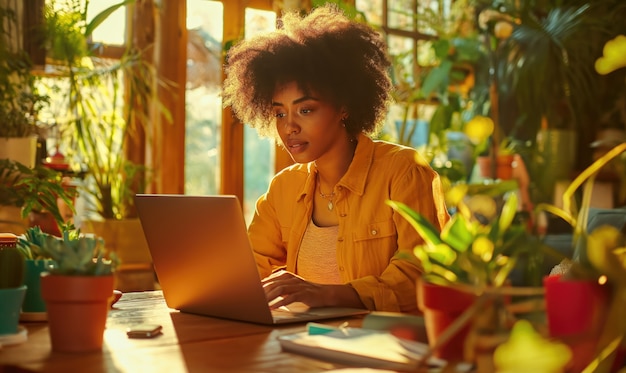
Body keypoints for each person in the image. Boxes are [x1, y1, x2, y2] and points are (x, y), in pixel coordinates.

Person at [222, 4, 449, 314]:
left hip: (386, 348)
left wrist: (331, 295)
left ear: (345, 106)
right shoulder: (284, 189)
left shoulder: (404, 171)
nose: (289, 126)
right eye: (279, 113)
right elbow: (250, 270)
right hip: (303, 345)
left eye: (305, 110)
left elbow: (421, 276)